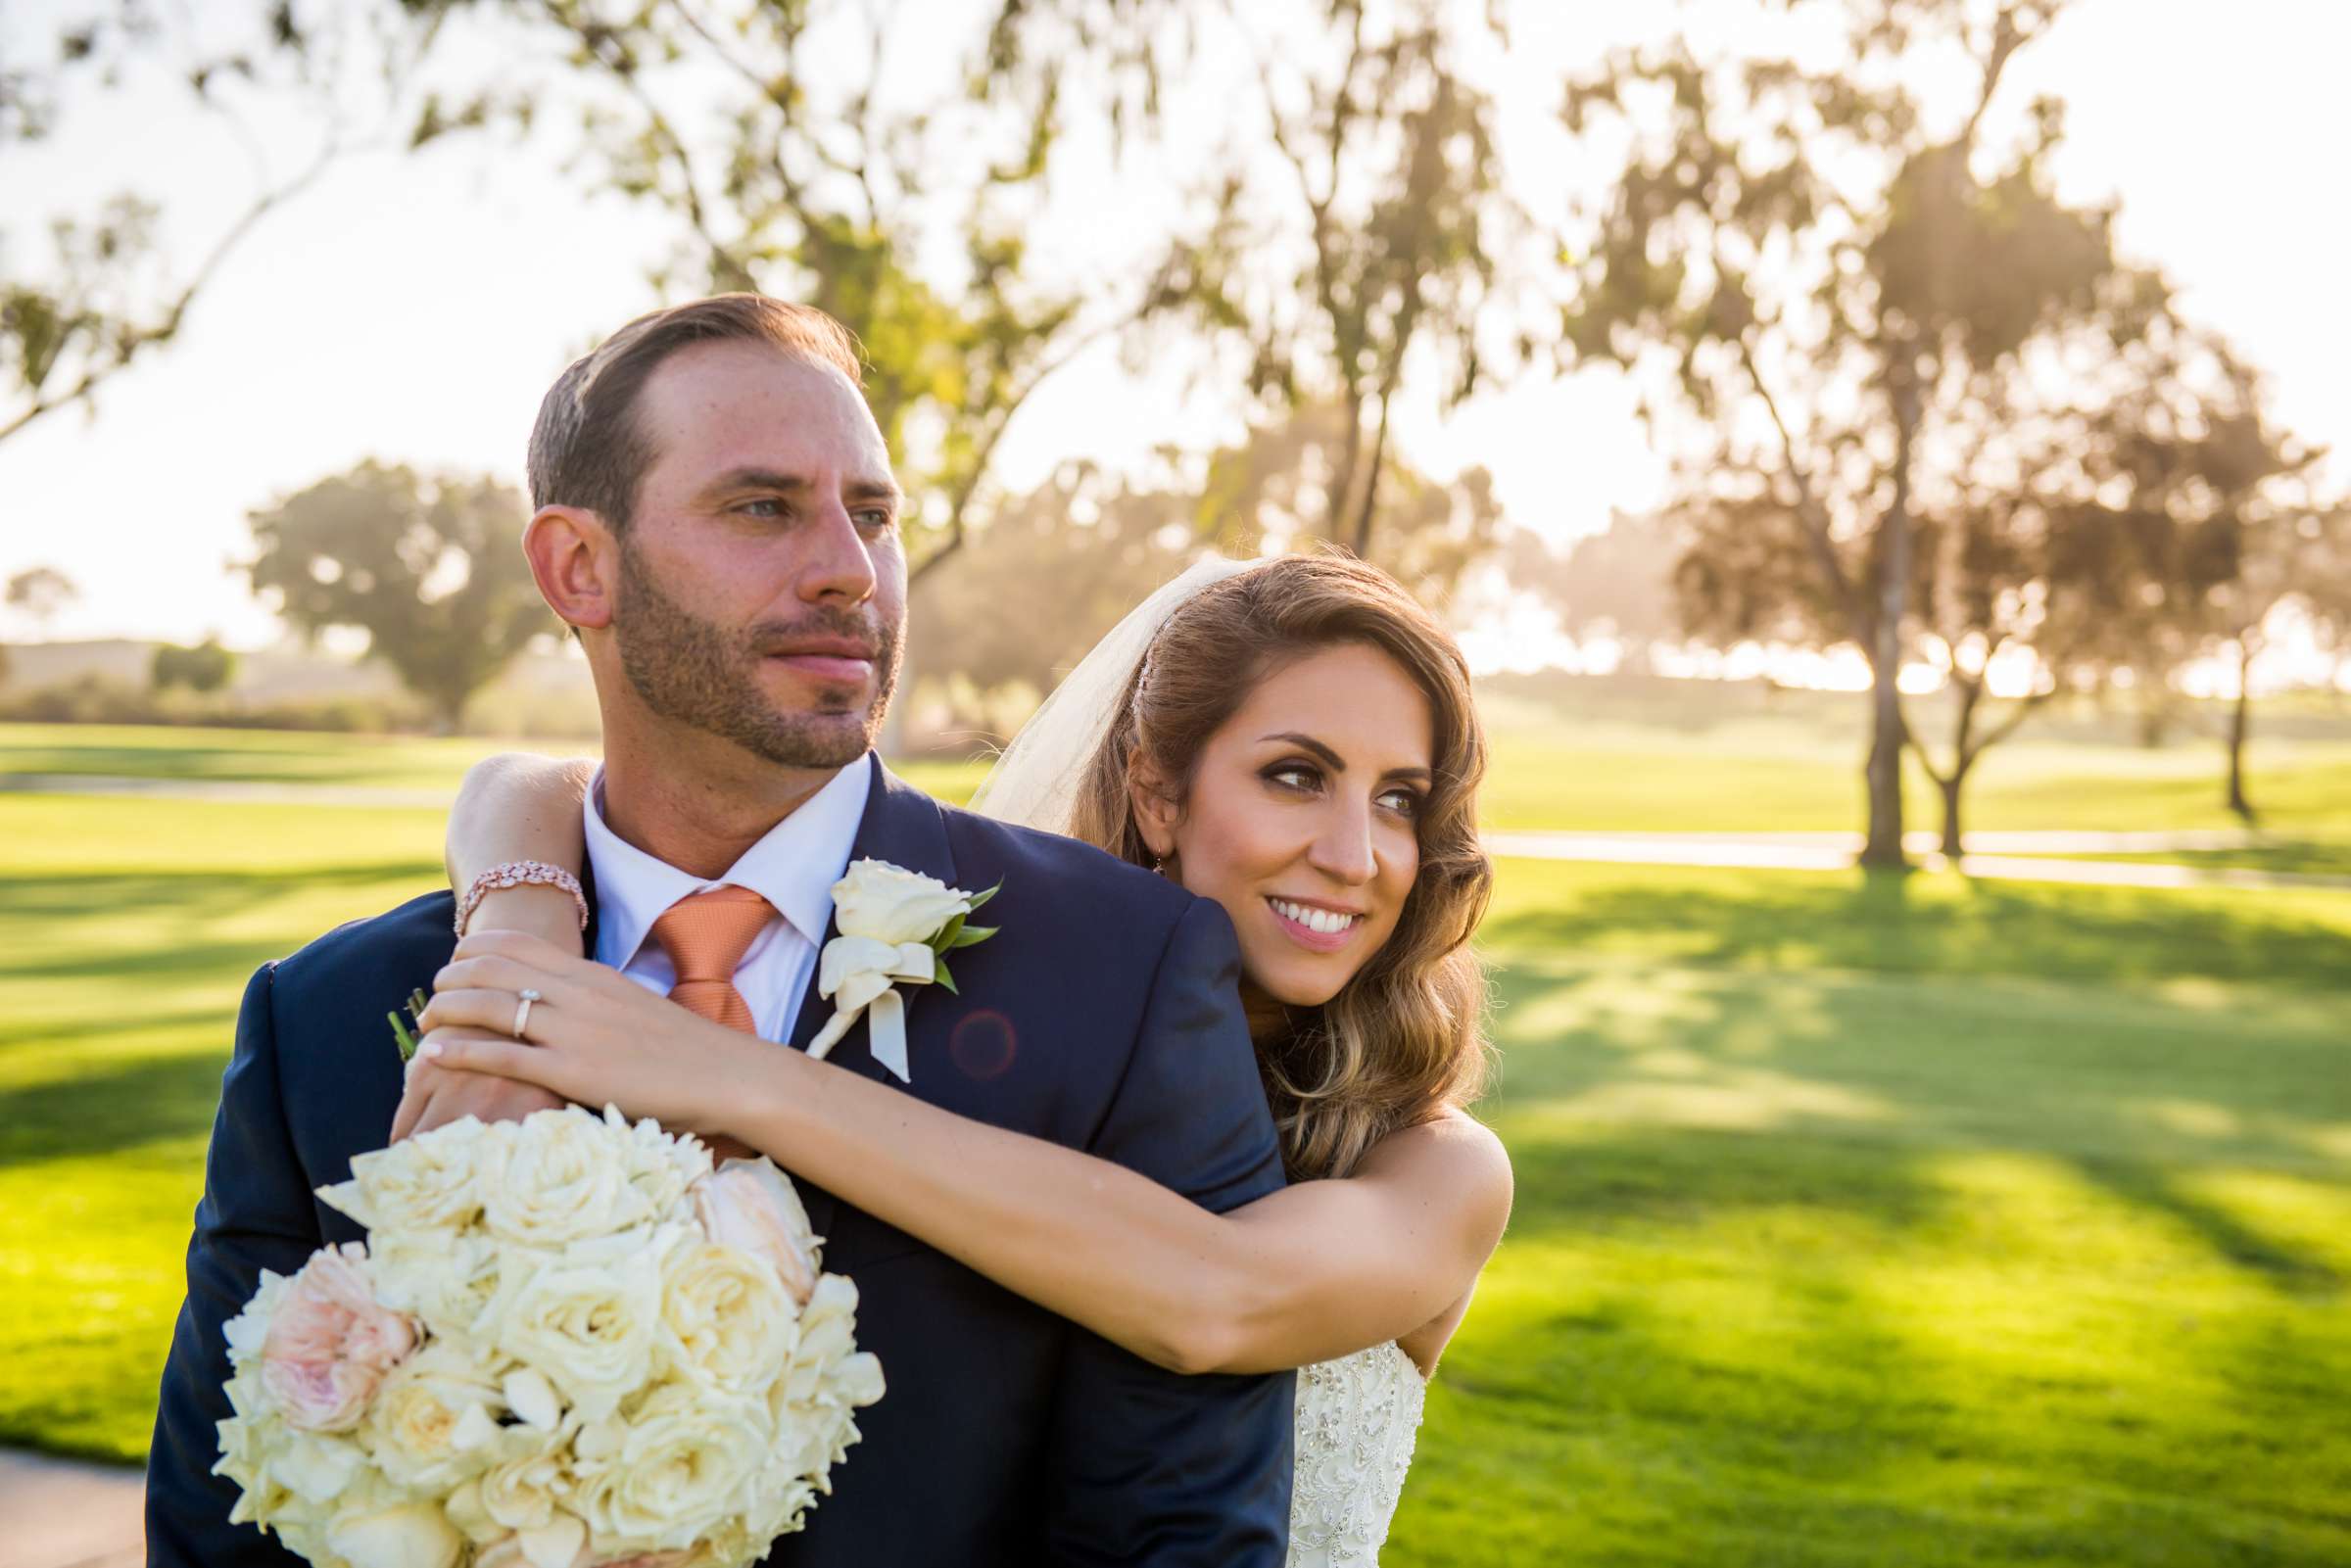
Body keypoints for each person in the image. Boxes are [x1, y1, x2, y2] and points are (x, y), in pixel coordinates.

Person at [145, 294, 1296, 1567]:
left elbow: (1181, 1538)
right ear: (578, 568)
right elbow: (222, 1527)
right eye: (764, 507)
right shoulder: (328, 1022)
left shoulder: (1122, 974)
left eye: (872, 514)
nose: (849, 570)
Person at [416, 552, 1515, 1565]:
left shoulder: (1436, 1169)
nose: (1352, 853)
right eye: (1294, 774)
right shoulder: (1006, 1037)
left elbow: (1215, 1297)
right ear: (1158, 792)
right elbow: (525, 782)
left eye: (1398, 800)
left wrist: (733, 1074)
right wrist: (519, 916)